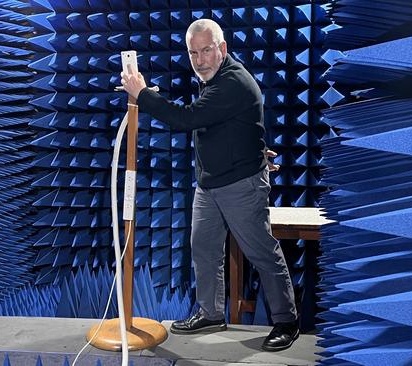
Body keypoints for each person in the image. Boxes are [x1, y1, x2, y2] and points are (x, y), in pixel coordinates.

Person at [120, 18, 299, 352]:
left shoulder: (232, 82)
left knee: (261, 252)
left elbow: (186, 119)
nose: (199, 59)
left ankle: (287, 321)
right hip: (210, 184)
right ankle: (212, 312)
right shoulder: (213, 77)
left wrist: (141, 94)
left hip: (241, 186)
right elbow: (234, 124)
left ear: (223, 49)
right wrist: (255, 148)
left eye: (206, 50)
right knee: (203, 247)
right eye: (193, 52)